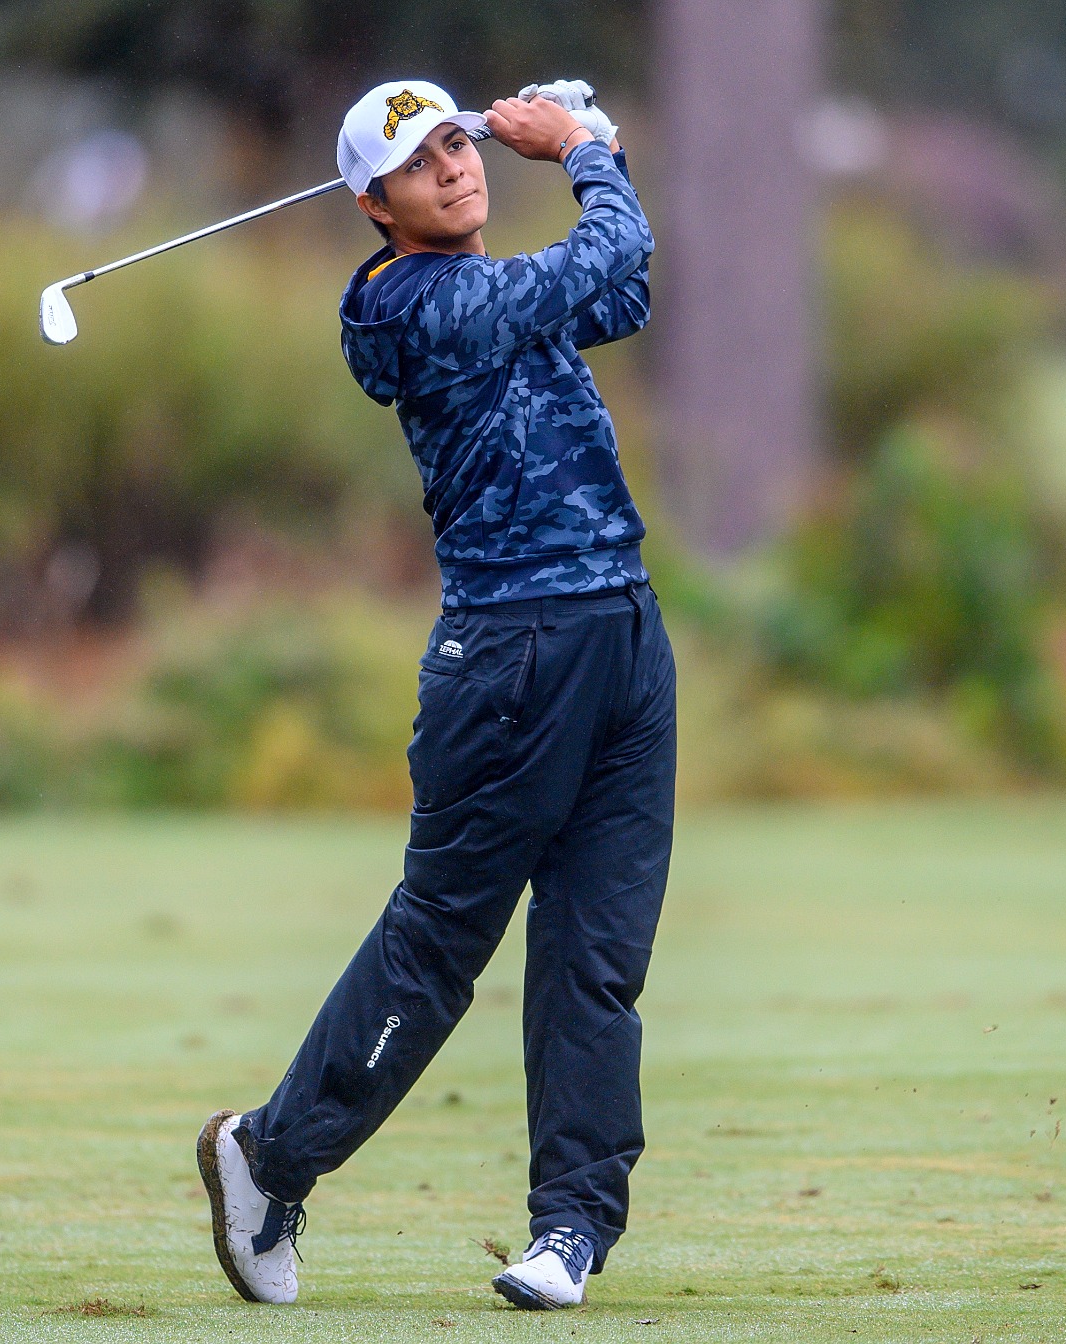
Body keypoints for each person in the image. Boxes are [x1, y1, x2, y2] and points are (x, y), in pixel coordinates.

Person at [197, 77, 675, 1312]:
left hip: (620, 634)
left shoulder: (495, 290)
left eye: (460, 142)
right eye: (423, 162)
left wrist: (597, 149)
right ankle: (268, 1156)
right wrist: (576, 146)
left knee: (596, 960)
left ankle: (568, 1228)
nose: (457, 168)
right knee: (437, 952)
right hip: (510, 657)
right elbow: (610, 243)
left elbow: (618, 285)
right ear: (374, 205)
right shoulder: (410, 305)